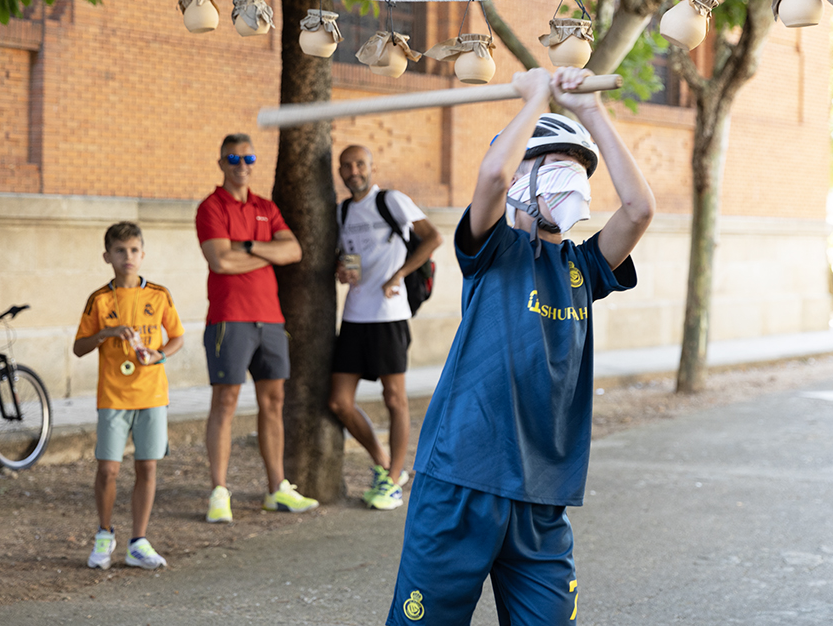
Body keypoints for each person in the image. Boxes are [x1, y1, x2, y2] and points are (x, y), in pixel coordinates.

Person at [386, 68, 655, 625]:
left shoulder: (582, 267)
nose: (572, 181)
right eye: (556, 167)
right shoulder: (493, 251)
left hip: (542, 495)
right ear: (520, 181)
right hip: (462, 478)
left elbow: (638, 210)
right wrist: (534, 100)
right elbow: (489, 179)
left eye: (580, 172)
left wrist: (591, 114)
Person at [195, 133, 318, 522]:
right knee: (226, 402)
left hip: (271, 318)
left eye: (248, 157)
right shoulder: (211, 207)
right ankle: (219, 491)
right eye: (233, 157)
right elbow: (220, 263)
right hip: (229, 317)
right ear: (221, 163)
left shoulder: (266, 207)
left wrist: (246, 247)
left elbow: (294, 251)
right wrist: (267, 255)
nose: (242, 164)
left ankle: (276, 489)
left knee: (274, 402)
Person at [328, 145, 443, 511]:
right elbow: (347, 257)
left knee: (395, 399)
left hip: (390, 315)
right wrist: (342, 271)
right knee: (339, 402)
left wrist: (399, 275)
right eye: (346, 165)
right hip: (354, 315)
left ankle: (394, 479)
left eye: (359, 164)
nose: (353, 171)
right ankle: (382, 460)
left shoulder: (391, 201)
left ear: (371, 168)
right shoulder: (343, 211)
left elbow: (433, 237)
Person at [74, 222, 185, 571]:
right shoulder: (100, 299)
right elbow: (78, 347)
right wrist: (105, 333)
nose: (128, 257)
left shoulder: (159, 294)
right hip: (113, 396)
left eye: (134, 250)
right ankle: (104, 533)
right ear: (107, 256)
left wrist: (159, 355)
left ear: (143, 254)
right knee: (108, 469)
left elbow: (177, 337)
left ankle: (138, 541)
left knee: (147, 466)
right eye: (120, 251)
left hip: (152, 394)